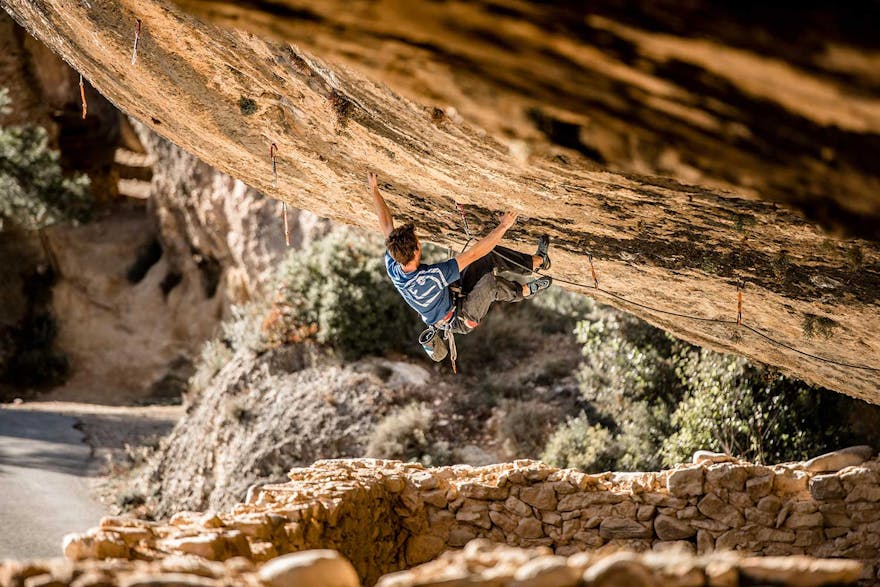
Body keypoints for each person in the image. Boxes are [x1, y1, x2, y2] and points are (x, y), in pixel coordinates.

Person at [369, 172, 552, 337]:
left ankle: (538, 262)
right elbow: (473, 253)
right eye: (418, 240)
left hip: (454, 294)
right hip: (460, 317)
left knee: (489, 254)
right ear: (416, 251)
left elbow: (386, 226)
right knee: (489, 283)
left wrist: (374, 189)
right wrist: (504, 226)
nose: (419, 241)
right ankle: (524, 291)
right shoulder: (431, 277)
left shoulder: (395, 266)